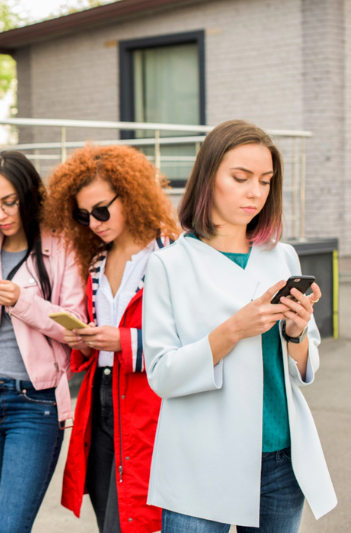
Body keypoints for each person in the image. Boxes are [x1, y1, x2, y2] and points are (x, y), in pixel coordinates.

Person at [143, 119, 337, 531]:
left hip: (281, 457)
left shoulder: (282, 256)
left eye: (265, 181)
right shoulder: (169, 264)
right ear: (208, 177)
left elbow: (305, 368)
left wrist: (297, 333)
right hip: (201, 462)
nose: (255, 192)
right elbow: (161, 375)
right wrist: (231, 331)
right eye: (240, 177)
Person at [44, 144, 179, 532]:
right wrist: (85, 340)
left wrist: (123, 341)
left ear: (132, 195)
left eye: (102, 209)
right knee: (109, 514)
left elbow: (190, 337)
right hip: (100, 398)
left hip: (147, 401)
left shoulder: (171, 254)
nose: (94, 222)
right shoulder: (99, 260)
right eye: (83, 215)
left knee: (136, 515)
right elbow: (102, 342)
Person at [0, 150, 85, 531]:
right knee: (3, 516)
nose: (0, 214)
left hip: (34, 404)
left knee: (9, 526)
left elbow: (77, 326)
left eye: (9, 202)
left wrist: (21, 301)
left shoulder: (61, 245)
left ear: (30, 196)